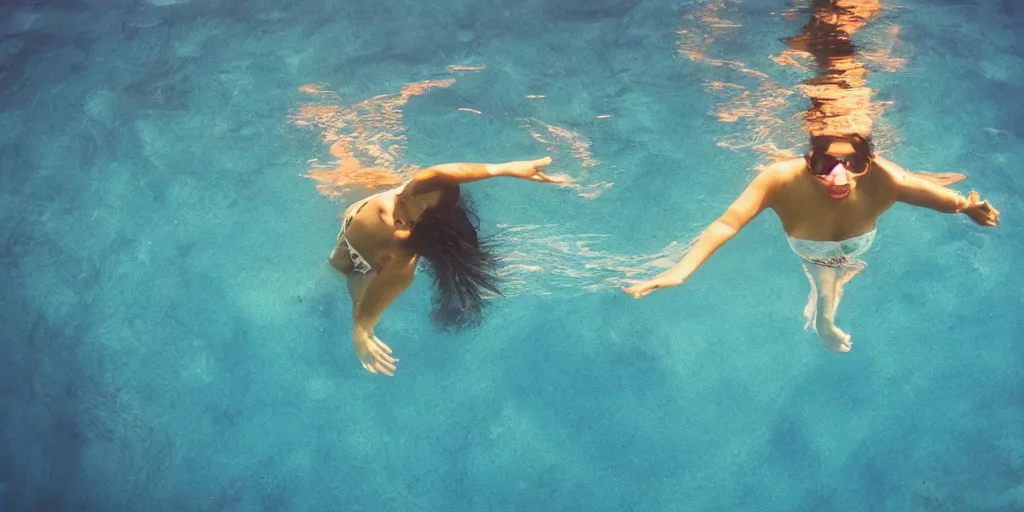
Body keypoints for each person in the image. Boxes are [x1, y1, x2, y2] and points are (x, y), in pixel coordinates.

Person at [622, 134, 1000, 351]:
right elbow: (727, 223)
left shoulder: (889, 179)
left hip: (853, 245)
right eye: (824, 166)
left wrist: (970, 208)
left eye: (853, 163)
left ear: (868, 160)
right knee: (826, 279)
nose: (839, 179)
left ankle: (827, 308)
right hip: (814, 250)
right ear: (808, 160)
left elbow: (952, 203)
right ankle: (823, 321)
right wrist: (680, 271)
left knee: (839, 273)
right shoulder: (779, 178)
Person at [330, 157, 565, 375]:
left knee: (336, 274)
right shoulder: (414, 190)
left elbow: (380, 292)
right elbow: (442, 173)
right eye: (412, 192)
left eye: (415, 204)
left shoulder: (401, 251)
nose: (407, 196)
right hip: (361, 213)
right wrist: (505, 168)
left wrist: (361, 328)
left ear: (422, 220)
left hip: (358, 262)